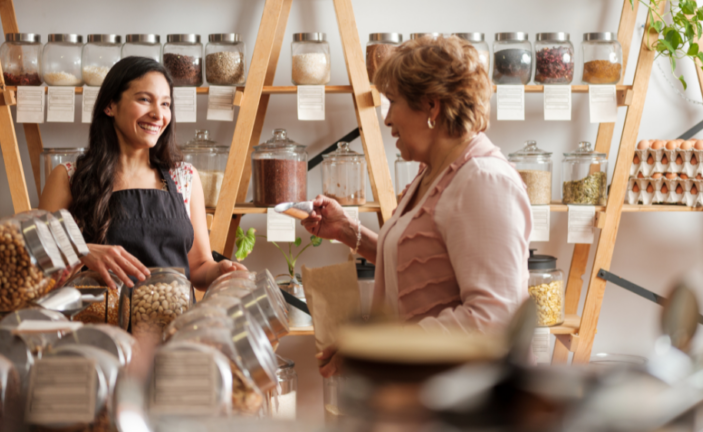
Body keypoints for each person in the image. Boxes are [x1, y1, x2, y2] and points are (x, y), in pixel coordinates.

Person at [302, 36, 532, 376]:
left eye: (392, 102)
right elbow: (423, 265)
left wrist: (379, 347)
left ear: (431, 106)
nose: (387, 119)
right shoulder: (433, 173)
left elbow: (495, 319)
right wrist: (349, 232)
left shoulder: (483, 180)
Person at [39, 57, 245, 291]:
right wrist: (79, 250)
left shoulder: (184, 178)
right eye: (145, 100)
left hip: (174, 324)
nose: (159, 114)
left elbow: (198, 267)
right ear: (110, 106)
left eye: (166, 104)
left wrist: (220, 271)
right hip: (99, 324)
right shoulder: (68, 177)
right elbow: (38, 266)